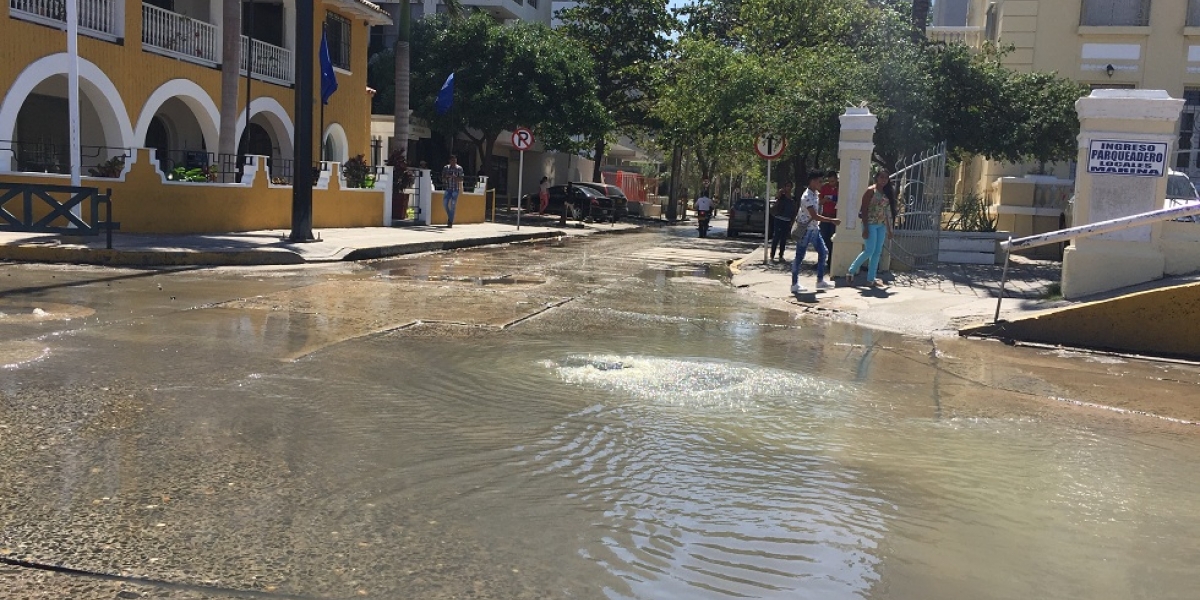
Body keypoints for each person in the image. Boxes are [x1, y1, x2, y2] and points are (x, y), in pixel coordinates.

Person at [791, 171, 842, 293]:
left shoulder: (815, 194)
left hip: (814, 229)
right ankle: (794, 284)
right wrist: (832, 220)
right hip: (805, 231)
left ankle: (820, 281)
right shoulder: (806, 196)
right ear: (812, 181)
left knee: (824, 252)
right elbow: (815, 216)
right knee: (799, 257)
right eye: (819, 181)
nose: (822, 183)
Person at [845, 168, 896, 288]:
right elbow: (864, 209)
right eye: (881, 177)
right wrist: (866, 228)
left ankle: (871, 279)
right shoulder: (870, 191)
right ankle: (851, 271)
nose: (883, 180)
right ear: (877, 178)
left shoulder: (887, 192)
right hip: (870, 224)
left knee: (877, 252)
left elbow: (887, 212)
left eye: (886, 178)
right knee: (869, 250)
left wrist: (890, 230)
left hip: (881, 225)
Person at [770, 182, 797, 261]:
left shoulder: (793, 198)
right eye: (787, 186)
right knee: (776, 237)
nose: (788, 188)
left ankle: (781, 255)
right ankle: (772, 255)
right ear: (784, 187)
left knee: (784, 239)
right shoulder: (782, 196)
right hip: (778, 219)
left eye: (790, 186)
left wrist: (793, 221)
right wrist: (780, 192)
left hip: (787, 220)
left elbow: (795, 210)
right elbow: (776, 198)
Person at [818, 170, 839, 271]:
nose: (831, 183)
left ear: (836, 179)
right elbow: (819, 202)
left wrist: (834, 200)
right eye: (830, 181)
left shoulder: (840, 187)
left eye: (833, 181)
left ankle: (830, 262)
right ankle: (820, 261)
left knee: (832, 241)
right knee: (822, 240)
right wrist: (825, 200)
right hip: (825, 217)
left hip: (835, 217)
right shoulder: (824, 187)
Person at [441, 154, 464, 228]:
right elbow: (443, 179)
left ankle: (450, 221)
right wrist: (447, 176)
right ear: (449, 161)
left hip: (455, 189)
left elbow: (461, 179)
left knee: (453, 205)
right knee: (445, 204)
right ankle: (450, 217)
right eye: (452, 160)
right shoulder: (446, 168)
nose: (454, 162)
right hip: (448, 188)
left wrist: (455, 177)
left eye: (455, 160)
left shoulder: (459, 168)